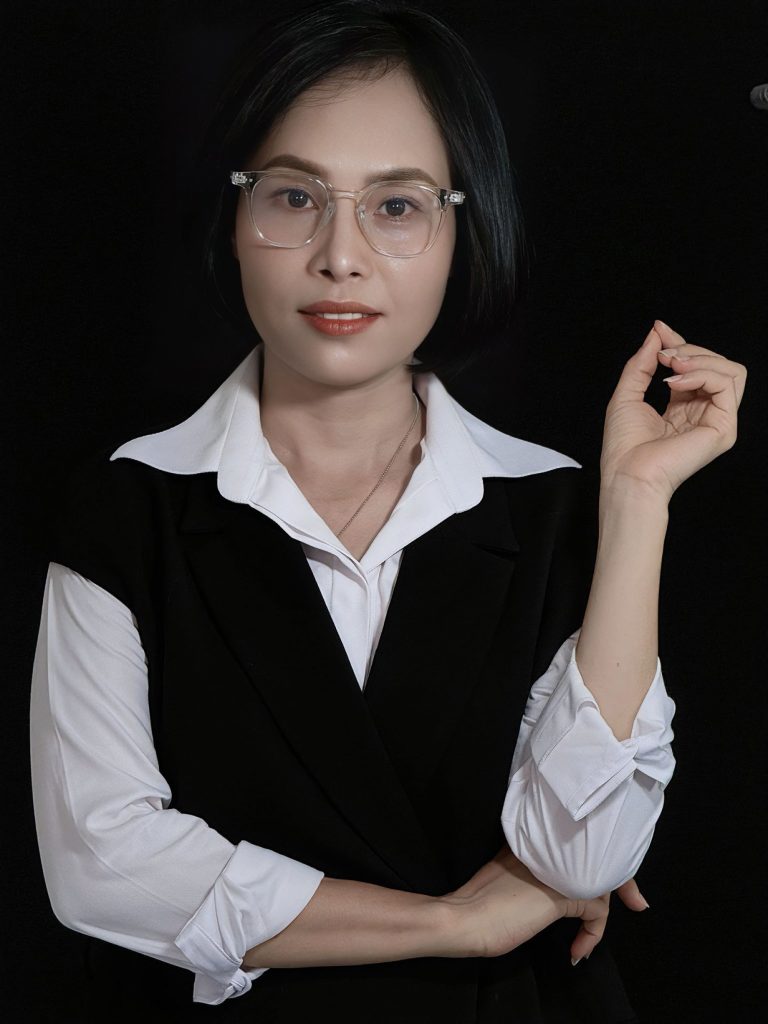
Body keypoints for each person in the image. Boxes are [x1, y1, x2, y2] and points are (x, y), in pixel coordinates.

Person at [29, 1, 745, 1021]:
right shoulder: (126, 505)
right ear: (233, 218)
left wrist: (632, 503)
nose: (341, 256)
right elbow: (102, 865)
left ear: (464, 229)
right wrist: (460, 922)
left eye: (398, 206)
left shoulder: (554, 505)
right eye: (293, 196)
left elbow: (582, 854)